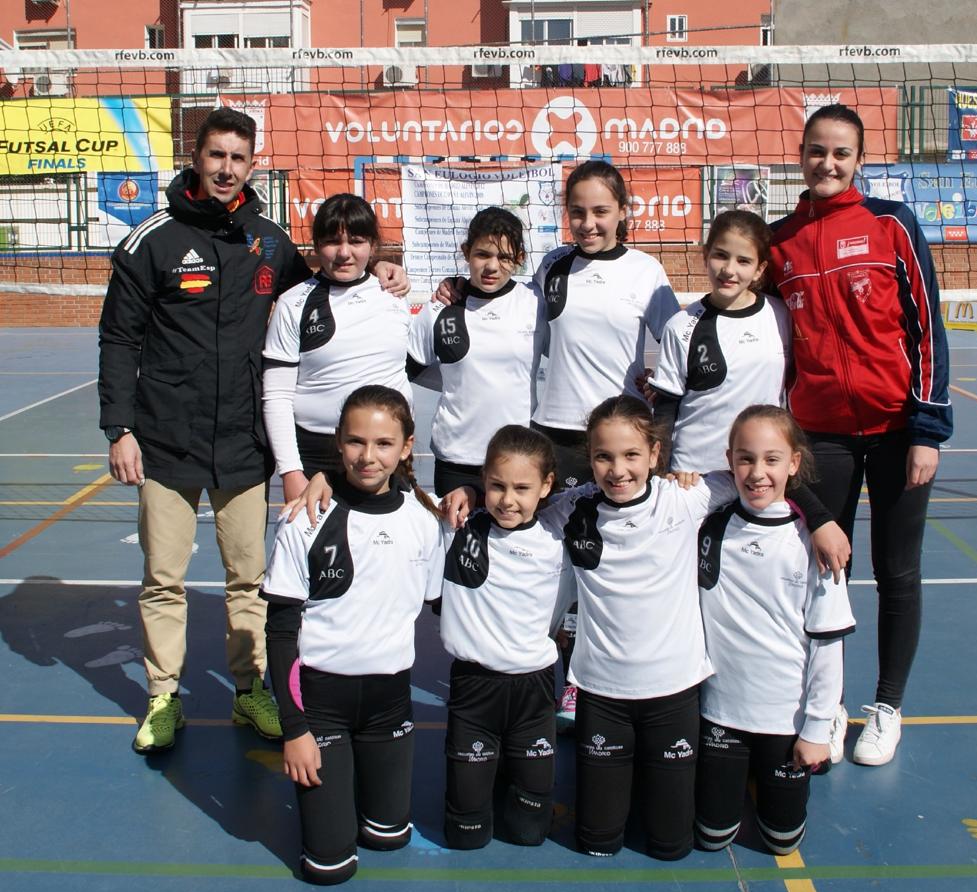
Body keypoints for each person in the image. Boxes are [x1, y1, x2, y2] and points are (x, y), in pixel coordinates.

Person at [98, 107, 408, 754]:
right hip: (166, 440)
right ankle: (162, 696)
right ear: (196, 157)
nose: (226, 168)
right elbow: (119, 338)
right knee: (164, 578)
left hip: (244, 443)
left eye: (239, 158)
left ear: (253, 163)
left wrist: (386, 268)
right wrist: (119, 428)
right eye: (216, 156)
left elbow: (329, 283)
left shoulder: (269, 242)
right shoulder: (149, 241)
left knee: (250, 579)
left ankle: (250, 691)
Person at [535, 396, 842, 860]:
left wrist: (819, 518)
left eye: (632, 455)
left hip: (674, 695)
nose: (618, 469)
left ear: (656, 455)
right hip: (602, 693)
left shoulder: (685, 498)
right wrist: (470, 496)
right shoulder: (572, 509)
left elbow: (763, 477)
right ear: (590, 459)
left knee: (672, 846)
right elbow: (515, 505)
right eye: (604, 457)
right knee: (596, 841)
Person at [436, 161, 679, 731]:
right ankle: (549, 673)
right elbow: (507, 311)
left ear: (623, 211)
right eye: (578, 212)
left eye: (600, 211)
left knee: (608, 568)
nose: (589, 223)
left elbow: (679, 343)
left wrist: (651, 388)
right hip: (556, 439)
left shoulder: (647, 272)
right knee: (550, 569)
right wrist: (457, 287)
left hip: (614, 443)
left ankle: (602, 675)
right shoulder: (552, 266)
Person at [769, 103, 952, 767]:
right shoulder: (780, 240)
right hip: (822, 435)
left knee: (897, 571)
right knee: (824, 568)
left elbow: (927, 327)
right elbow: (760, 335)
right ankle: (829, 701)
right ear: (801, 154)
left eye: (841, 153)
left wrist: (928, 427)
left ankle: (887, 707)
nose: (828, 163)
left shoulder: (891, 225)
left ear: (859, 160)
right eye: (817, 151)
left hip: (899, 430)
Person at [262, 385, 444, 885]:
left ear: (406, 447)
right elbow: (280, 634)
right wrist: (294, 729)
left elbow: (441, 602)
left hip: (389, 704)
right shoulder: (306, 519)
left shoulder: (423, 522)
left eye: (384, 444)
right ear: (338, 443)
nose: (368, 457)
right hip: (321, 703)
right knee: (329, 867)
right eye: (355, 442)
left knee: (390, 836)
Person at [695, 405, 855, 856]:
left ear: (794, 464)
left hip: (785, 720)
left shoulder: (814, 544)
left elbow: (827, 644)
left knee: (782, 842)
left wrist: (817, 728)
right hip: (720, 713)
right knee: (711, 837)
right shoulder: (710, 526)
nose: (757, 472)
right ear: (729, 461)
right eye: (745, 459)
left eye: (771, 459)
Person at [440, 425, 572, 849]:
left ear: (546, 485)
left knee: (529, 834)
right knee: (466, 836)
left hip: (534, 692)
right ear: (483, 479)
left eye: (521, 487)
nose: (508, 499)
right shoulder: (457, 526)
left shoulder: (558, 535)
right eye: (496, 485)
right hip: (474, 690)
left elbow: (607, 489)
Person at [263, 193, 412, 503]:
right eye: (332, 241)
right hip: (317, 458)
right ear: (317, 246)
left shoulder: (394, 293)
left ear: (372, 245)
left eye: (356, 241)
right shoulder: (294, 304)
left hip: (386, 454)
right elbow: (277, 396)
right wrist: (291, 471)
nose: (344, 253)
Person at [407, 207, 547, 495]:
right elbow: (411, 367)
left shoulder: (535, 304)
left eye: (504, 257)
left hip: (517, 457)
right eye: (483, 254)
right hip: (456, 459)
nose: (492, 266)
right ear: (466, 252)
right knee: (457, 540)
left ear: (519, 258)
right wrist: (455, 377)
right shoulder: (440, 309)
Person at [649, 210, 790, 475]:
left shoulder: (781, 315)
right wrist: (661, 472)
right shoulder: (681, 326)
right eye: (721, 255)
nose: (729, 270)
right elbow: (665, 411)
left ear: (760, 269)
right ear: (706, 255)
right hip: (693, 475)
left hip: (757, 474)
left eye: (743, 261)